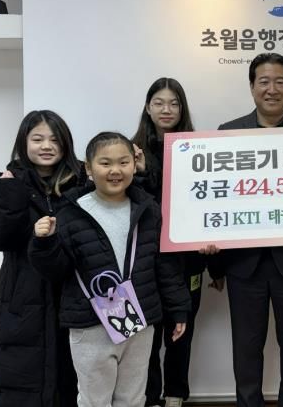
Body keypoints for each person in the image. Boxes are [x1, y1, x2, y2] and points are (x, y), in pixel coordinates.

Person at [29, 132, 191, 407]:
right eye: (105, 163)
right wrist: (44, 243)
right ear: (89, 169)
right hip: (90, 324)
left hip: (139, 321)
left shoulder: (148, 209)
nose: (115, 170)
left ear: (134, 165)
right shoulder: (70, 213)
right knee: (94, 400)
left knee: (133, 398)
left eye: (123, 162)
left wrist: (178, 308)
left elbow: (164, 265)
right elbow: (57, 271)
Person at [212, 52, 283, 407]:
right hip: (243, 265)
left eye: (280, 82)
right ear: (251, 87)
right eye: (264, 82)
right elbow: (217, 198)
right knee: (245, 349)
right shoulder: (227, 133)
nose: (272, 89)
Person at [0, 110, 82, 407]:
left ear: (65, 144)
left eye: (54, 139)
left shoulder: (82, 181)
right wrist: (10, 195)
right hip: (23, 297)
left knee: (71, 379)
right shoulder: (11, 181)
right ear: (24, 143)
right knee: (20, 374)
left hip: (71, 294)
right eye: (37, 139)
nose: (46, 146)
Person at [131, 77, 223, 407]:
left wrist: (216, 266)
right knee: (146, 337)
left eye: (174, 103)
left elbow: (209, 206)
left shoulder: (199, 149)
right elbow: (137, 206)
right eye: (159, 102)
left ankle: (175, 395)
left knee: (182, 332)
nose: (166, 109)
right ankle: (150, 397)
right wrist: (142, 172)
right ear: (147, 107)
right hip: (144, 263)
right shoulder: (131, 151)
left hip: (189, 261)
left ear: (182, 108)